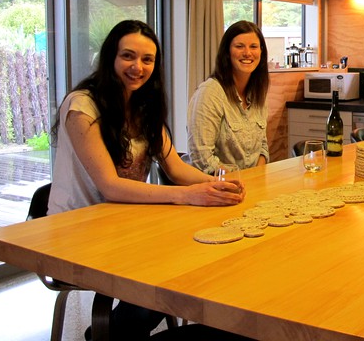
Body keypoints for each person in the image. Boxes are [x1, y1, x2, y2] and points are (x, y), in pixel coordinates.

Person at [48, 20, 245, 340]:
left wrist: (215, 182)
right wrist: (188, 196)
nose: (138, 67)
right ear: (111, 57)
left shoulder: (145, 105)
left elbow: (176, 169)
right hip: (78, 229)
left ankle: (114, 331)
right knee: (158, 283)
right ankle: (105, 334)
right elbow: (109, 185)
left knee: (193, 263)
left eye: (147, 59)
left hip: (125, 223)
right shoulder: (82, 105)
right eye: (128, 56)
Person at [187, 20, 270, 173]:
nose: (247, 53)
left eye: (253, 46)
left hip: (252, 186)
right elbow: (202, 158)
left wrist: (254, 178)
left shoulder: (258, 93)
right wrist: (238, 181)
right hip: (217, 188)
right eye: (239, 46)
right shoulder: (210, 93)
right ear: (227, 52)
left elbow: (262, 148)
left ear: (261, 51)